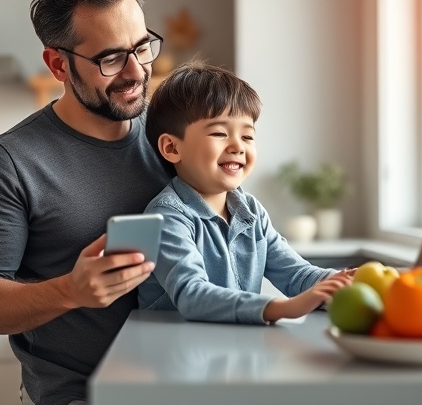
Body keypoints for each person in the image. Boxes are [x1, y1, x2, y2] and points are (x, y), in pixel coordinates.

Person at [0, 0, 171, 405]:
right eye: (110, 58)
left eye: (142, 47)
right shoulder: (12, 163)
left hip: (176, 384)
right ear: (58, 64)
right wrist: (70, 291)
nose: (135, 71)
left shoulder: (171, 137)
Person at [139, 61, 353, 324]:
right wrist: (282, 307)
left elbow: (297, 275)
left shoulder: (251, 212)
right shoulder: (166, 217)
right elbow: (192, 294)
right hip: (172, 354)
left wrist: (344, 280)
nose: (238, 146)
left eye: (248, 137)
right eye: (219, 133)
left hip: (231, 350)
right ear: (172, 148)